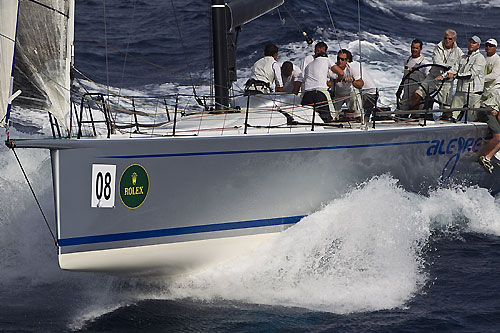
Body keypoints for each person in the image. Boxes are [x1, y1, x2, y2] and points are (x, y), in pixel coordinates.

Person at [411, 29, 463, 110]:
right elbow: (437, 62)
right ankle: (414, 117)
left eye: (450, 39)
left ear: (454, 40)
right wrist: (449, 67)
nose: (447, 40)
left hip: (446, 82)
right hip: (433, 78)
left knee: (445, 107)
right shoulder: (438, 48)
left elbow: (458, 66)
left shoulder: (459, 52)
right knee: (416, 95)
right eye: (445, 38)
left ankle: (446, 119)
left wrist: (444, 76)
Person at [438, 35, 485, 121]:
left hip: (473, 93)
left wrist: (455, 76)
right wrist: (442, 76)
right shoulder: (462, 57)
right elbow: (454, 69)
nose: (471, 44)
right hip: (460, 91)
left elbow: (471, 75)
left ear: (478, 46)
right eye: (470, 42)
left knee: (472, 118)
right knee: (451, 115)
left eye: (473, 43)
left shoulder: (480, 58)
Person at [301, 47, 344, 123]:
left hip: (306, 94)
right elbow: (341, 72)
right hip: (320, 93)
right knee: (332, 117)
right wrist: (339, 79)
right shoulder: (326, 60)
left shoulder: (308, 65)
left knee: (308, 119)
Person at [333, 49, 377, 121]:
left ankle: (360, 119)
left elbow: (360, 84)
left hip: (367, 93)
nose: (340, 61)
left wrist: (352, 80)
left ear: (348, 60)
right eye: (338, 58)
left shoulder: (353, 67)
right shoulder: (334, 68)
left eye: (342, 59)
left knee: (363, 116)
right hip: (342, 94)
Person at [396, 39, 430, 112]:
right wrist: (399, 90)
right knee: (400, 115)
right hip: (406, 96)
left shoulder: (424, 63)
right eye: (413, 47)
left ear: (420, 49)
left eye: (416, 48)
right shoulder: (407, 60)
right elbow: (404, 77)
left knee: (415, 118)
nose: (414, 50)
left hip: (417, 97)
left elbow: (429, 80)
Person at [478, 93, 500, 173]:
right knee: (498, 137)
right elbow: (499, 116)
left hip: (494, 112)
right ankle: (484, 157)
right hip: (486, 110)